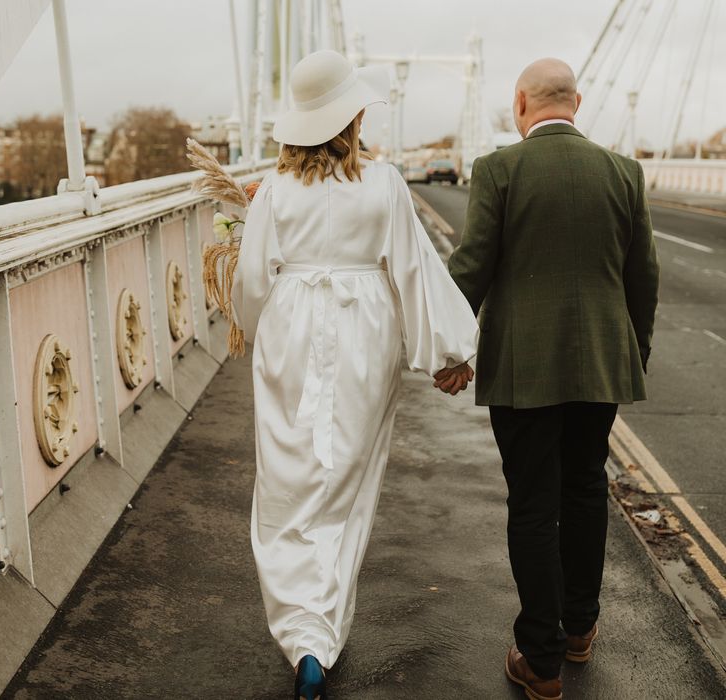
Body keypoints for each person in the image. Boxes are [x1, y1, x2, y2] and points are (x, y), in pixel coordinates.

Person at [231, 49, 478, 700]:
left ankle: (301, 637)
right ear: (351, 118)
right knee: (347, 480)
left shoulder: (274, 189)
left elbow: (253, 280)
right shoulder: (386, 182)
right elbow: (415, 272)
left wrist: (251, 325)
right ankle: (322, 631)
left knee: (287, 481)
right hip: (364, 333)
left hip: (290, 329)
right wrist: (449, 353)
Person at [448, 58, 660, 700]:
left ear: (520, 104)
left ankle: (540, 661)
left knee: (534, 506)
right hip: (602, 363)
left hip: (523, 369)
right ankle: (579, 632)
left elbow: (471, 269)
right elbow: (642, 276)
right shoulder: (624, 171)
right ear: (577, 102)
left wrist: (449, 351)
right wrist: (634, 351)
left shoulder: (498, 170)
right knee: (585, 491)